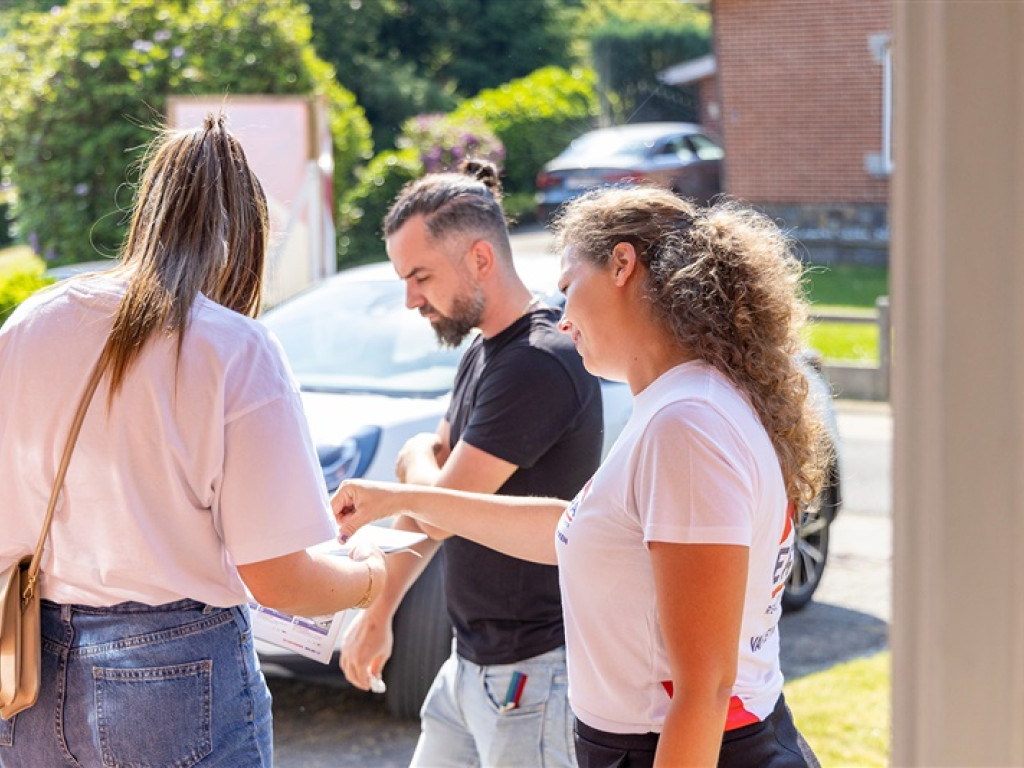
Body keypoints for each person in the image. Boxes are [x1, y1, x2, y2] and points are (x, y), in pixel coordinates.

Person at [334, 185, 829, 767]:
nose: (565, 318)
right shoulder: (684, 406)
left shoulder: (687, 425)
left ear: (622, 265)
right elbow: (572, 528)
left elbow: (706, 688)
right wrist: (397, 497)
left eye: (569, 288)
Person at [0, 114, 387, 767]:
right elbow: (280, 581)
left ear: (145, 213)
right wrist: (373, 578)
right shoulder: (233, 348)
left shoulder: (34, 322)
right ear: (244, 238)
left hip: (29, 666)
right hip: (177, 670)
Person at [338, 160, 603, 767]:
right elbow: (435, 505)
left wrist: (413, 470)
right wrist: (379, 612)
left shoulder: (539, 360)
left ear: (480, 259)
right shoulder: (485, 354)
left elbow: (436, 510)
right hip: (470, 665)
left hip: (532, 676)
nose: (410, 299)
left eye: (421, 276)